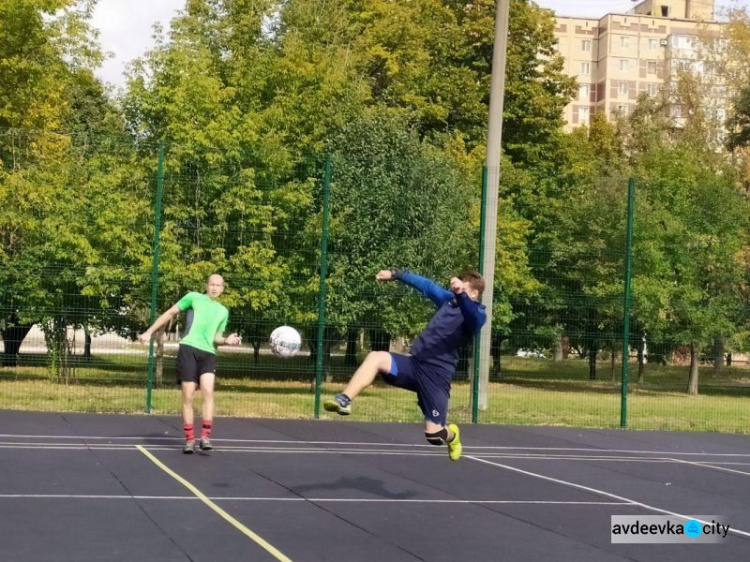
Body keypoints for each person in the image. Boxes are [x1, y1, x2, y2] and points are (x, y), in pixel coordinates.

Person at [324, 269, 486, 461]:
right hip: (414, 364)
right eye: (456, 283)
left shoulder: (478, 314)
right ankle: (344, 399)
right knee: (376, 357)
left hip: (436, 376)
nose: (455, 286)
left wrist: (460, 294)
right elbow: (426, 285)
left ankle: (453, 436)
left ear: (474, 292)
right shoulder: (447, 300)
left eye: (462, 284)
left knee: (434, 436)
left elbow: (471, 315)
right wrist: (395, 274)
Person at [139, 274, 241, 453]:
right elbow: (170, 312)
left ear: (223, 289)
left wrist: (227, 341)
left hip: (208, 353)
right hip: (188, 350)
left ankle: (205, 437)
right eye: (212, 284)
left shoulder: (223, 311)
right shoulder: (194, 297)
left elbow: (216, 337)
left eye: (218, 285)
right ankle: (189, 439)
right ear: (206, 285)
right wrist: (149, 332)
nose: (215, 288)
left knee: (208, 391)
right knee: (188, 395)